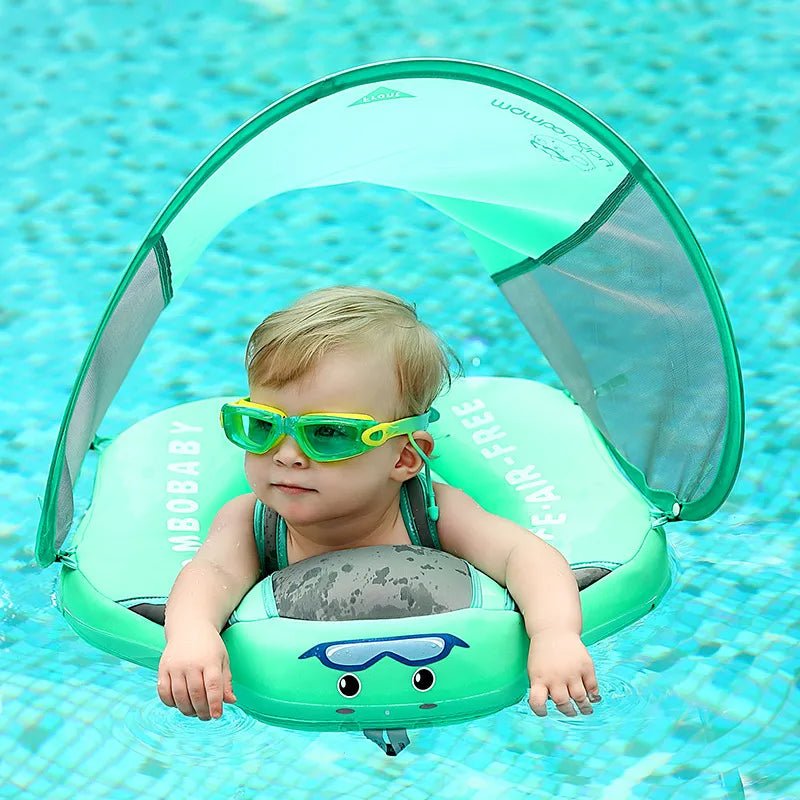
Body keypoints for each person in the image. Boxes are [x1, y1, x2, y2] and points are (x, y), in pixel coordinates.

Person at [157, 286, 601, 722]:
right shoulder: (250, 521)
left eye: (327, 433)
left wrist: (554, 634)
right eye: (261, 425)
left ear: (405, 457)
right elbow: (209, 574)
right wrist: (192, 633)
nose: (286, 454)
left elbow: (525, 555)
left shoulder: (430, 512)